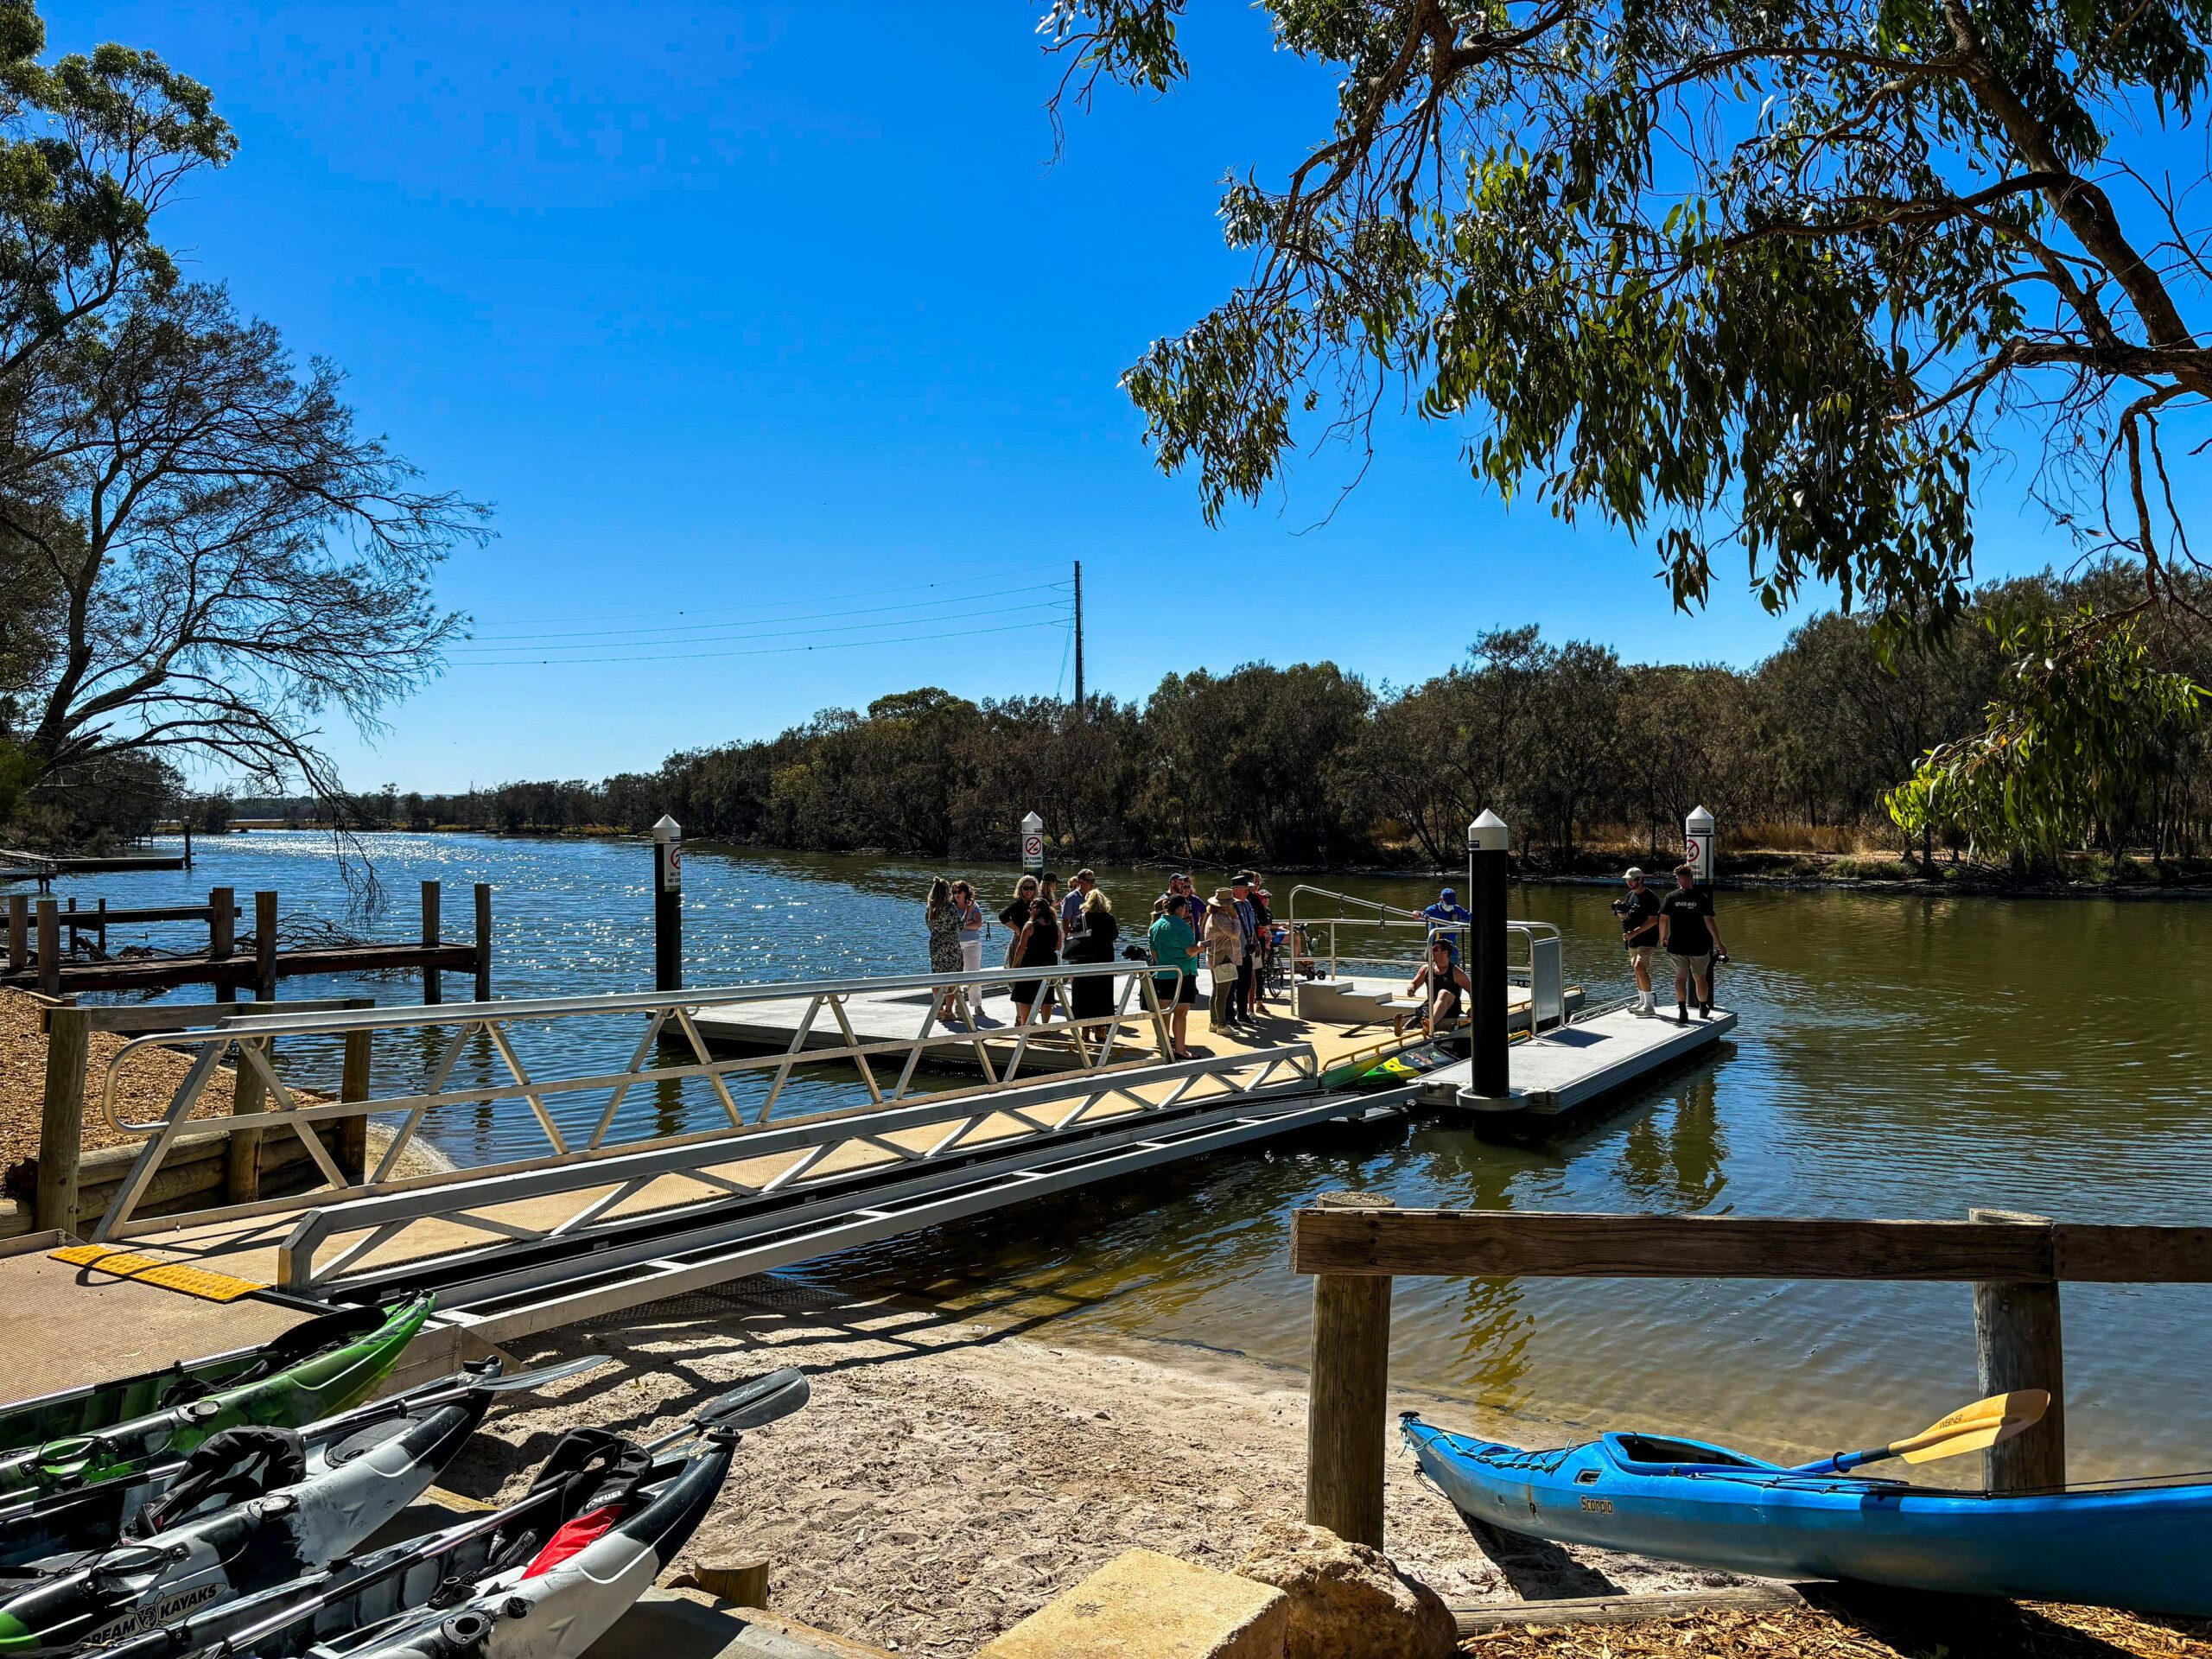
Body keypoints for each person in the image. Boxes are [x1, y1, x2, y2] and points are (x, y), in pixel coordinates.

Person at [1657, 862, 1729, 1024]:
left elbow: (1663, 919)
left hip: (1677, 945)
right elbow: (1709, 921)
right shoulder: (1701, 897)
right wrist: (1719, 943)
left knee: (1680, 978)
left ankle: (1683, 1011)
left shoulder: (1671, 897)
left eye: (1678, 878)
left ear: (1679, 879)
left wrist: (1663, 938)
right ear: (1691, 878)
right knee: (1700, 978)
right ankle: (1703, 1008)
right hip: (1699, 946)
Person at [1063, 887, 1121, 1048]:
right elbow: (1114, 936)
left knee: (1083, 995)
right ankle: (1100, 1030)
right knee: (1103, 995)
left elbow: (1074, 936)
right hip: (1104, 961)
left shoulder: (1081, 918)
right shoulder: (1108, 918)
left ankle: (1085, 1030)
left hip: (1084, 961)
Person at [1147, 892, 1201, 1059]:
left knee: (1165, 1010)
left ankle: (1163, 1046)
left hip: (1163, 973)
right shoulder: (1181, 926)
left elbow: (1153, 950)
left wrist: (1163, 962)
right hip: (1183, 973)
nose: (1186, 910)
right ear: (1180, 908)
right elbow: (1190, 950)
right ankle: (1180, 1049)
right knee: (1181, 1012)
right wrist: (1201, 947)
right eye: (1185, 907)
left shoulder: (1156, 925)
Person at [1400, 938, 1474, 1039]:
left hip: (1451, 1007)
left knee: (1443, 993)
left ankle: (1429, 1025)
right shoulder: (1426, 969)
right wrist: (1411, 989)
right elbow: (1414, 983)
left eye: (1435, 950)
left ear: (1445, 953)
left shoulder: (1456, 972)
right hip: (1431, 1005)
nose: (1431, 952)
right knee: (1426, 1007)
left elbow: (1471, 990)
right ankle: (1405, 1028)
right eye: (1431, 949)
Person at [1615, 867, 1663, 1017]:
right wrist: (1620, 913)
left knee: (1639, 966)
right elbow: (1628, 917)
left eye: (1632, 880)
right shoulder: (1630, 895)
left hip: (1648, 939)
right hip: (1633, 939)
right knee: (1636, 969)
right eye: (1628, 880)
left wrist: (1635, 932)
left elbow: (1654, 920)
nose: (1629, 883)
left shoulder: (1650, 897)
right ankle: (1642, 1002)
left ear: (1640, 879)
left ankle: (1649, 1006)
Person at [1008, 896, 1062, 1028]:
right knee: (1047, 997)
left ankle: (1025, 1025)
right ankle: (1045, 1027)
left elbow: (1021, 947)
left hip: (1031, 961)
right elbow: (1059, 946)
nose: (1029, 910)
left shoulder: (1030, 925)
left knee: (1025, 997)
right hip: (1049, 962)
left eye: (1031, 908)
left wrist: (1015, 965)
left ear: (1037, 909)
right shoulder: (1055, 925)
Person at [1204, 885, 1244, 1033]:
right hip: (1223, 958)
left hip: (1215, 958)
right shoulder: (1221, 917)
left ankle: (1214, 1022)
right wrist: (1235, 917)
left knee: (1216, 992)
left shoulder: (1212, 916)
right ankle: (1221, 1025)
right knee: (1222, 993)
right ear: (1226, 904)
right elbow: (1235, 933)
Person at [925, 878, 963, 1023]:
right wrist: (967, 914)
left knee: (937, 977)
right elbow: (959, 926)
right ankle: (948, 1011)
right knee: (952, 978)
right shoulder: (950, 907)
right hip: (951, 946)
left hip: (936, 945)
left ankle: (938, 1009)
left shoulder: (930, 908)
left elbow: (929, 927)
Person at [1229, 874, 1262, 1025]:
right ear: (1235, 889)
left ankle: (1243, 1015)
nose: (1247, 892)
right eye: (1244, 889)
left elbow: (1252, 925)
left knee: (1246, 983)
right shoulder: (1228, 905)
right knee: (1232, 986)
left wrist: (1256, 942)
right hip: (1235, 951)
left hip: (1248, 949)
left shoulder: (1247, 903)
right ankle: (1230, 1016)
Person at [998, 876, 1040, 966]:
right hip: (1020, 940)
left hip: (1033, 940)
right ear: (1020, 888)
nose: (1029, 891)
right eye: (1025, 888)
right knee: (1018, 965)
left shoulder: (1034, 903)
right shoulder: (1017, 902)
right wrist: (1016, 929)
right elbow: (1002, 915)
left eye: (1031, 888)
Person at [1422, 887, 1472, 962]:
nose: (1450, 906)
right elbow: (1423, 914)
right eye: (1448, 903)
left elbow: (1468, 917)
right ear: (1441, 899)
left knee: (1455, 970)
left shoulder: (1457, 909)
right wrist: (1418, 914)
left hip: (1452, 949)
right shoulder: (1433, 909)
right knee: (1435, 970)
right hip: (1436, 948)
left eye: (1452, 904)